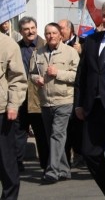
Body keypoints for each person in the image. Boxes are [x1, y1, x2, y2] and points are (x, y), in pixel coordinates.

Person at [74, 0, 105, 198]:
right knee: (89, 153)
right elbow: (82, 74)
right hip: (94, 107)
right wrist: (78, 103)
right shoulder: (93, 41)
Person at [30, 23, 80, 184]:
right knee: (54, 136)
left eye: (54, 33)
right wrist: (36, 79)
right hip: (45, 101)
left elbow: (77, 75)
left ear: (60, 35)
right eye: (47, 33)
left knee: (56, 135)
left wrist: (58, 73)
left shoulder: (70, 52)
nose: (50, 36)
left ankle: (52, 171)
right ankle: (64, 170)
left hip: (64, 100)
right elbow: (32, 73)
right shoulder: (38, 53)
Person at [15, 17, 48, 172]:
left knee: (41, 132)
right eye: (26, 29)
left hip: (39, 97)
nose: (31, 31)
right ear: (21, 31)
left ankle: (45, 164)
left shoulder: (45, 46)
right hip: (20, 96)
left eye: (33, 27)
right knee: (19, 131)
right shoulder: (16, 48)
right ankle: (17, 163)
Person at [0, 30, 27, 199]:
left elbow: (17, 79)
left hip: (2, 112)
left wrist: (13, 105)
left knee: (6, 163)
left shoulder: (8, 44)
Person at [59, 18, 84, 168]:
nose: (60, 31)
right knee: (66, 128)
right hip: (64, 92)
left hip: (78, 89)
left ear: (70, 30)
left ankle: (80, 155)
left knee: (77, 125)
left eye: (62, 28)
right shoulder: (58, 46)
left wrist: (81, 51)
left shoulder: (82, 43)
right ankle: (66, 158)